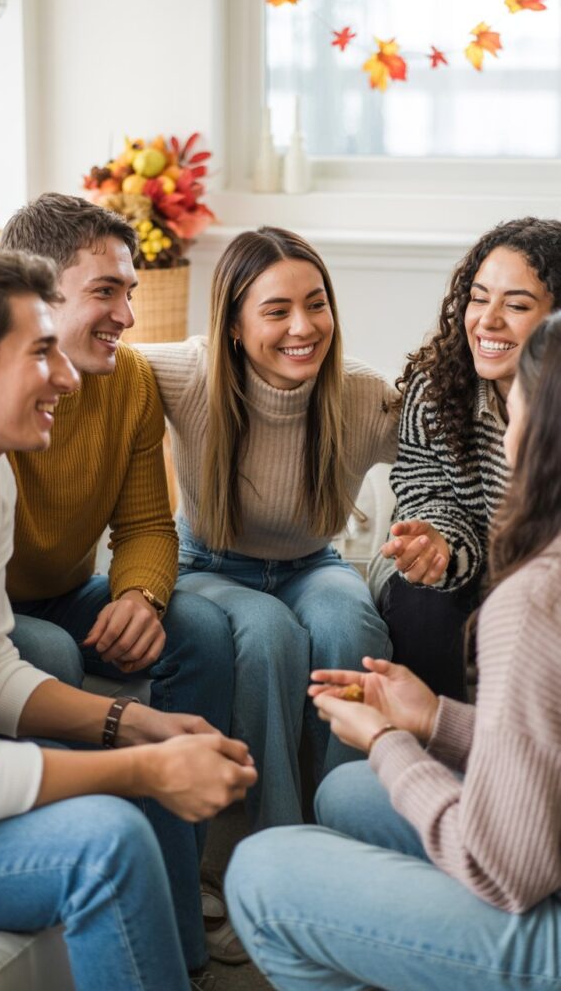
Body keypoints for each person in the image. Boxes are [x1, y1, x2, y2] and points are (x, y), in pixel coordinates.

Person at [225, 309, 561, 991]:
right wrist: (437, 718)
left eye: (516, 406)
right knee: (349, 789)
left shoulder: (533, 599)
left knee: (264, 870)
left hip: (534, 904)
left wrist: (386, 741)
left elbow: (509, 870)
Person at [0, 249, 257, 991]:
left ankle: (181, 933)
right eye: (40, 352)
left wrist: (135, 725)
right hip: (30, 616)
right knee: (107, 839)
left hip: (64, 597)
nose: (69, 379)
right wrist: (141, 766)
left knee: (193, 631)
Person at [140, 226, 399, 829]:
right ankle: (272, 838)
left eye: (316, 304)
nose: (303, 328)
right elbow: (89, 359)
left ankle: (347, 823)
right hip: (207, 565)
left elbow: (444, 449)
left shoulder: (362, 394)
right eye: (276, 311)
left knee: (348, 620)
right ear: (233, 324)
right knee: (266, 632)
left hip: (313, 565)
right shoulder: (190, 373)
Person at [369, 216, 561, 700]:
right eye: (478, 298)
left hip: (539, 586)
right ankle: (438, 754)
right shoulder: (437, 392)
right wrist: (438, 544)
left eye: (516, 305)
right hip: (449, 575)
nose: (487, 320)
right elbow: (424, 492)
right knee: (427, 605)